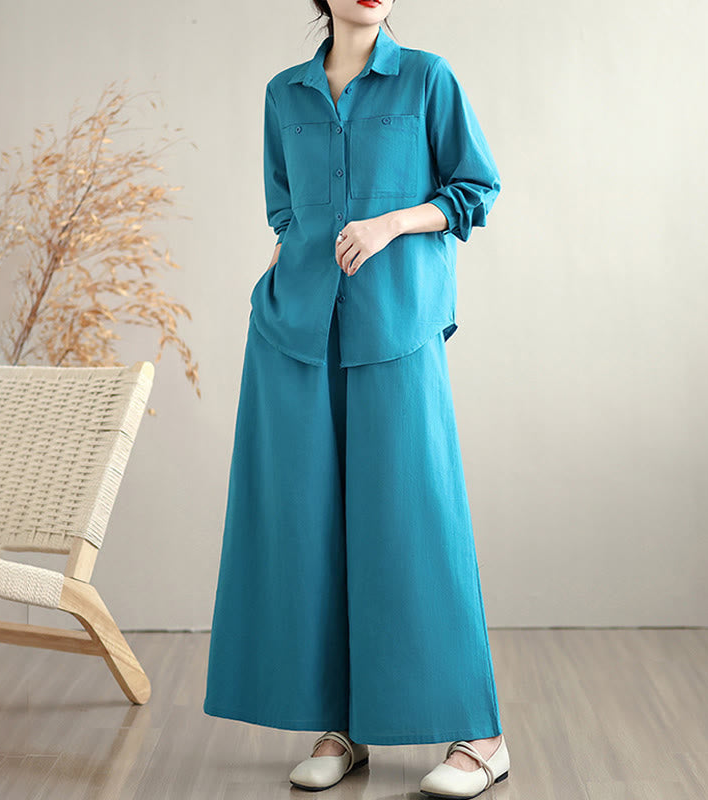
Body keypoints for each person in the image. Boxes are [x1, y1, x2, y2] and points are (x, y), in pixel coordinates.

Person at [203, 1, 509, 797]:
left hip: (396, 327)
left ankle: (482, 737)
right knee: (310, 526)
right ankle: (342, 724)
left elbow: (475, 186)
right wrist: (284, 279)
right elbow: (285, 210)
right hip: (296, 334)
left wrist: (389, 224)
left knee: (417, 521)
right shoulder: (285, 93)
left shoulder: (427, 79)